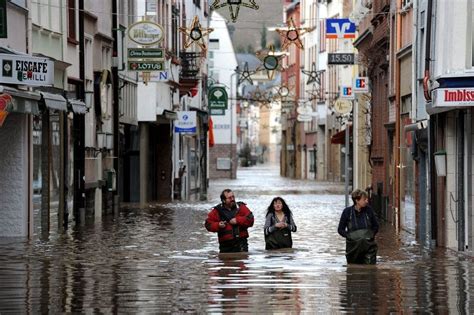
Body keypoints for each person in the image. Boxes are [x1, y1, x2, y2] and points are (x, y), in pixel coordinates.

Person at [205, 189, 254, 253]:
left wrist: (237, 220)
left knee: (242, 261)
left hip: (241, 244)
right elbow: (208, 224)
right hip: (225, 246)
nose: (232, 199)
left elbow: (251, 220)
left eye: (233, 197)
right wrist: (218, 225)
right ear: (223, 200)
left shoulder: (241, 207)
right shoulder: (217, 211)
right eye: (229, 198)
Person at [338, 189, 379, 264]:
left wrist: (371, 235)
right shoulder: (347, 212)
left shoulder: (369, 211)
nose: (367, 201)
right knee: (353, 269)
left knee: (370, 270)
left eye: (367, 199)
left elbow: (376, 226)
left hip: (368, 246)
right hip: (353, 247)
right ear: (357, 200)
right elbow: (340, 229)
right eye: (364, 199)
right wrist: (349, 236)